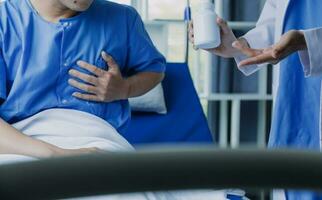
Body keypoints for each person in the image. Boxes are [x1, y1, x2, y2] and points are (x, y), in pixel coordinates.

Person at [189, 0, 322, 199]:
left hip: (307, 72)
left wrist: (308, 41)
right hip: (294, 90)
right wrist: (238, 45)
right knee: (293, 176)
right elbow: (276, 20)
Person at [0, 0, 165, 158]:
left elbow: (154, 70)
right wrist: (57, 155)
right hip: (18, 143)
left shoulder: (123, 18)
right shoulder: (4, 19)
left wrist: (125, 89)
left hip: (100, 140)